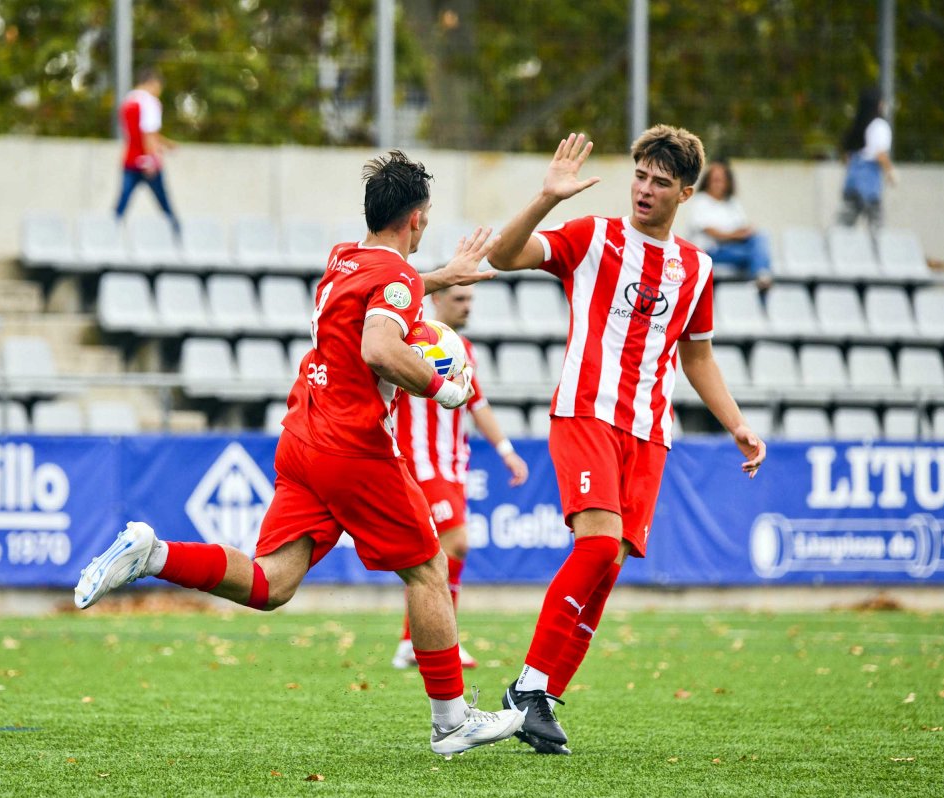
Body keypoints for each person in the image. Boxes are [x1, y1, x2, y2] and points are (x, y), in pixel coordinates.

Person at [74, 150, 525, 756]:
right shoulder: (394, 280)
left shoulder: (344, 258)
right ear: (417, 219)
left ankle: (153, 553)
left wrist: (443, 275)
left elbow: (386, 290)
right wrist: (442, 387)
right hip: (352, 446)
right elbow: (379, 348)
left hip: (303, 434)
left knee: (272, 583)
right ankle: (451, 722)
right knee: (428, 568)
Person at [487, 128, 767, 756]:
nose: (645, 189)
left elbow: (697, 356)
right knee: (597, 545)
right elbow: (503, 256)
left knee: (607, 567)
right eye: (640, 175)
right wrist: (546, 197)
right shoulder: (592, 236)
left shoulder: (697, 267)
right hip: (586, 412)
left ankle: (542, 699)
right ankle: (526, 686)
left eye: (660, 182)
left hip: (649, 434)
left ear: (685, 193)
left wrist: (736, 423)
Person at [390, 284, 530, 671]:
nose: (467, 307)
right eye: (458, 299)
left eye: (470, 300)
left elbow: (476, 402)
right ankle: (439, 640)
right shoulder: (409, 341)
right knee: (456, 543)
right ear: (435, 299)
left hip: (454, 466)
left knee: (434, 554)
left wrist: (505, 450)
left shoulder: (462, 349)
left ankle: (412, 641)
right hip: (421, 463)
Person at [684, 160, 773, 290]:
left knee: (761, 236)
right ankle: (761, 279)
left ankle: (761, 277)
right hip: (711, 251)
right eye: (714, 180)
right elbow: (712, 232)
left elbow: (743, 227)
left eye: (721, 180)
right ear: (707, 181)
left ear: (727, 182)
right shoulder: (701, 201)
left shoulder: (732, 203)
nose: (717, 184)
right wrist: (736, 235)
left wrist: (748, 231)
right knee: (756, 257)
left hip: (734, 248)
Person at [114, 67, 180, 235]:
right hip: (147, 163)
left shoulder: (128, 101)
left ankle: (107, 235)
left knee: (122, 204)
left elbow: (136, 133)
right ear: (152, 83)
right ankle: (177, 235)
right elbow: (148, 134)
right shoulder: (150, 103)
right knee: (164, 204)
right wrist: (152, 158)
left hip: (130, 160)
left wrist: (166, 143)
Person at [837, 87, 897, 230]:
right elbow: (880, 154)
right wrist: (890, 171)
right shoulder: (879, 125)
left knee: (846, 223)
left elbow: (847, 158)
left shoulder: (857, 126)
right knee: (875, 222)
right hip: (869, 181)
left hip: (852, 181)